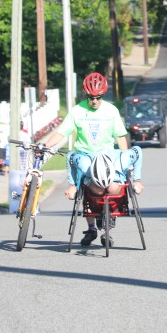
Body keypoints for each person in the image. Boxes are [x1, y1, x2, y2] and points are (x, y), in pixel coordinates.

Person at [42, 72, 144, 247]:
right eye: (91, 98)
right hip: (86, 156)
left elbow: (120, 137)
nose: (95, 101)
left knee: (113, 188)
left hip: (108, 157)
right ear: (86, 95)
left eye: (98, 97)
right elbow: (61, 133)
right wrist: (44, 146)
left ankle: (106, 226)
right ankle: (91, 228)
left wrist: (127, 165)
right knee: (90, 190)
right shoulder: (77, 111)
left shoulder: (111, 110)